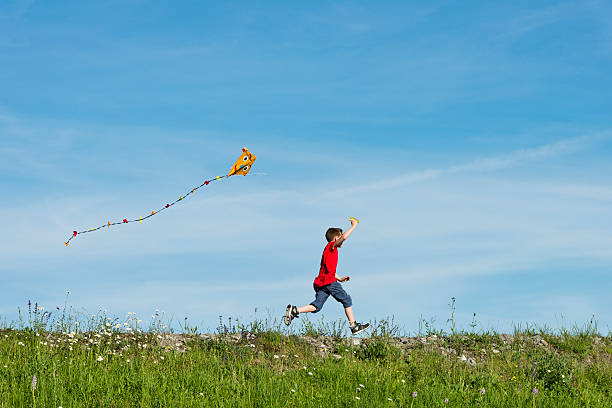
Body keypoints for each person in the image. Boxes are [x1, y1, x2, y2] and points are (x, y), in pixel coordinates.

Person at [284, 218, 370, 335]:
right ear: (336, 238)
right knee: (346, 300)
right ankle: (353, 325)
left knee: (317, 306)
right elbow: (344, 237)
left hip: (321, 283)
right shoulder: (331, 247)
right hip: (329, 282)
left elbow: (329, 270)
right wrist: (353, 226)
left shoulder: (327, 251)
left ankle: (295, 310)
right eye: (339, 239)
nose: (342, 242)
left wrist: (339, 278)